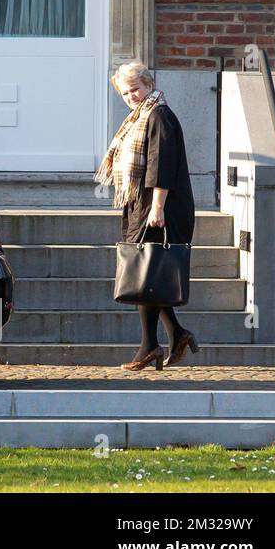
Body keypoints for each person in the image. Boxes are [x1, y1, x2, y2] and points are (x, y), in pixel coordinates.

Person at [95, 61, 199, 371]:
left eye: (135, 89)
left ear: (149, 85)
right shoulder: (138, 118)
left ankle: (150, 346)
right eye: (125, 93)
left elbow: (160, 165)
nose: (131, 96)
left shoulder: (159, 115)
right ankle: (174, 335)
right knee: (149, 273)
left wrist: (157, 207)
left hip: (160, 205)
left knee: (145, 272)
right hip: (142, 204)